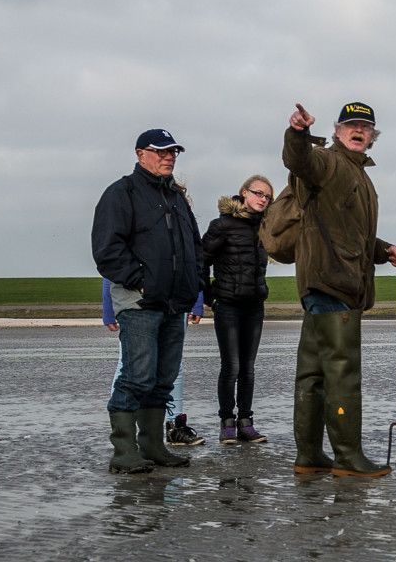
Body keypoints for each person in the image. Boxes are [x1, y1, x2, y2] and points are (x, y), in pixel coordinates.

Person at [283, 102, 396, 478]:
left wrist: (382, 249)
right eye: (352, 125)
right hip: (331, 282)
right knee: (342, 372)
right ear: (338, 131)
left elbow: (352, 233)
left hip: (325, 283)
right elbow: (299, 161)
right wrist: (298, 133)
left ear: (373, 136)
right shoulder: (327, 161)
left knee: (313, 374)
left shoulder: (359, 176)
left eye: (366, 127)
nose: (359, 130)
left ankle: (309, 455)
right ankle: (348, 457)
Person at [91, 128, 205, 474]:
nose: (169, 156)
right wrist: (141, 282)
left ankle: (154, 446)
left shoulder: (176, 197)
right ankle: (124, 451)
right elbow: (107, 250)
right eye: (161, 151)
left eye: (173, 151)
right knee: (137, 376)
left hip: (174, 302)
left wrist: (195, 285)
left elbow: (193, 248)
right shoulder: (121, 193)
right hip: (139, 302)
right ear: (141, 154)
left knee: (163, 378)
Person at [201, 175, 275, 445]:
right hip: (228, 305)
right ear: (244, 193)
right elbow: (201, 260)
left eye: (267, 197)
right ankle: (227, 422)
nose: (262, 199)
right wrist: (210, 297)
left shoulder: (265, 228)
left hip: (254, 306)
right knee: (230, 366)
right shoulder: (222, 225)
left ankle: (246, 422)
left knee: (248, 368)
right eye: (258, 193)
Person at [102, 280, 204, 446]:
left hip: (175, 302)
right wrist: (108, 307)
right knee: (130, 366)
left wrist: (197, 299)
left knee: (173, 366)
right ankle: (124, 432)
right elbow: (111, 266)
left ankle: (174, 425)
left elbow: (191, 260)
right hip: (136, 303)